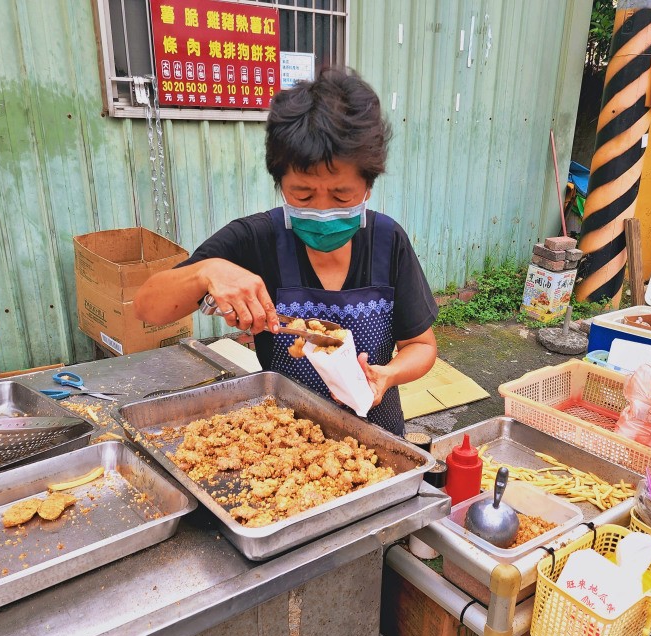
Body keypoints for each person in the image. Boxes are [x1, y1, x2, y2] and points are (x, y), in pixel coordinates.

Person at [134, 68, 438, 436]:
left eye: (341, 196)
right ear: (281, 185)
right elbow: (148, 309)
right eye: (303, 195)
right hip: (285, 438)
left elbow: (420, 346)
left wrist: (387, 375)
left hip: (380, 436)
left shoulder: (388, 241)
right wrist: (206, 271)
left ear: (368, 187)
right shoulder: (255, 239)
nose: (323, 212)